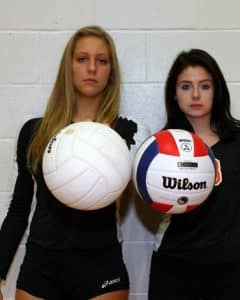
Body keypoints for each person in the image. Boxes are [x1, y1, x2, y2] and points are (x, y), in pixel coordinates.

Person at [0, 25, 139, 300]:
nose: (91, 68)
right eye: (82, 59)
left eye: (101, 61)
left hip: (101, 265)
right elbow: (19, 210)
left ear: (111, 71)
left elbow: (146, 197)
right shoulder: (35, 131)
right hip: (41, 267)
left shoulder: (127, 132)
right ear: (69, 66)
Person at [148, 49, 240, 300]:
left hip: (231, 270)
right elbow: (150, 210)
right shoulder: (159, 150)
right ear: (174, 93)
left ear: (217, 91)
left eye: (204, 86)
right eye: (185, 86)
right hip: (174, 268)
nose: (195, 95)